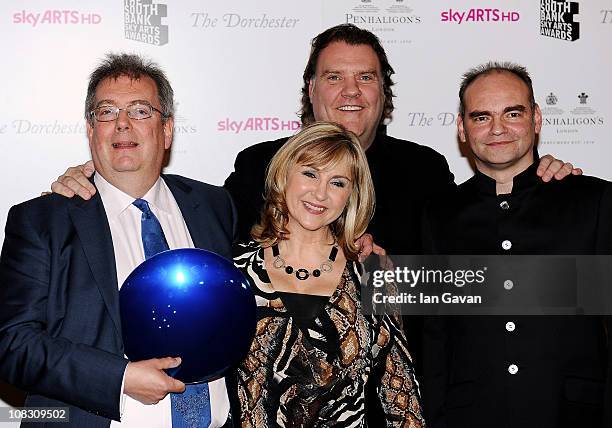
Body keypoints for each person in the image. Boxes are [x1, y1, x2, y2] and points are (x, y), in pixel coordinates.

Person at [48, 24, 578, 379]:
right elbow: (207, 249)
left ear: (383, 92)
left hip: (391, 385)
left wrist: (538, 179)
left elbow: (465, 271)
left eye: (365, 77)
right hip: (269, 391)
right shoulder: (256, 165)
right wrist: (102, 177)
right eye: (334, 77)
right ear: (311, 88)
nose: (350, 91)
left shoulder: (426, 170)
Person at [0, 53, 237, 427]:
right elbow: (13, 344)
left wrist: (362, 243)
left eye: (141, 111)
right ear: (91, 130)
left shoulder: (215, 205)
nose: (122, 124)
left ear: (167, 129)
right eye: (106, 112)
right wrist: (120, 379)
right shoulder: (41, 221)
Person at [421, 62, 612, 428]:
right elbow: (436, 334)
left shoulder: (593, 201)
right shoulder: (439, 215)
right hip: (471, 416)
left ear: (536, 119)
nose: (497, 129)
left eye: (512, 113)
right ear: (462, 128)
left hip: (572, 415)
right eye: (481, 117)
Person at [232, 121, 425, 427]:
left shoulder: (371, 272)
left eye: (338, 183)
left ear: (351, 194)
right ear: (284, 175)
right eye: (310, 173)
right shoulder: (235, 270)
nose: (320, 193)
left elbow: (400, 390)